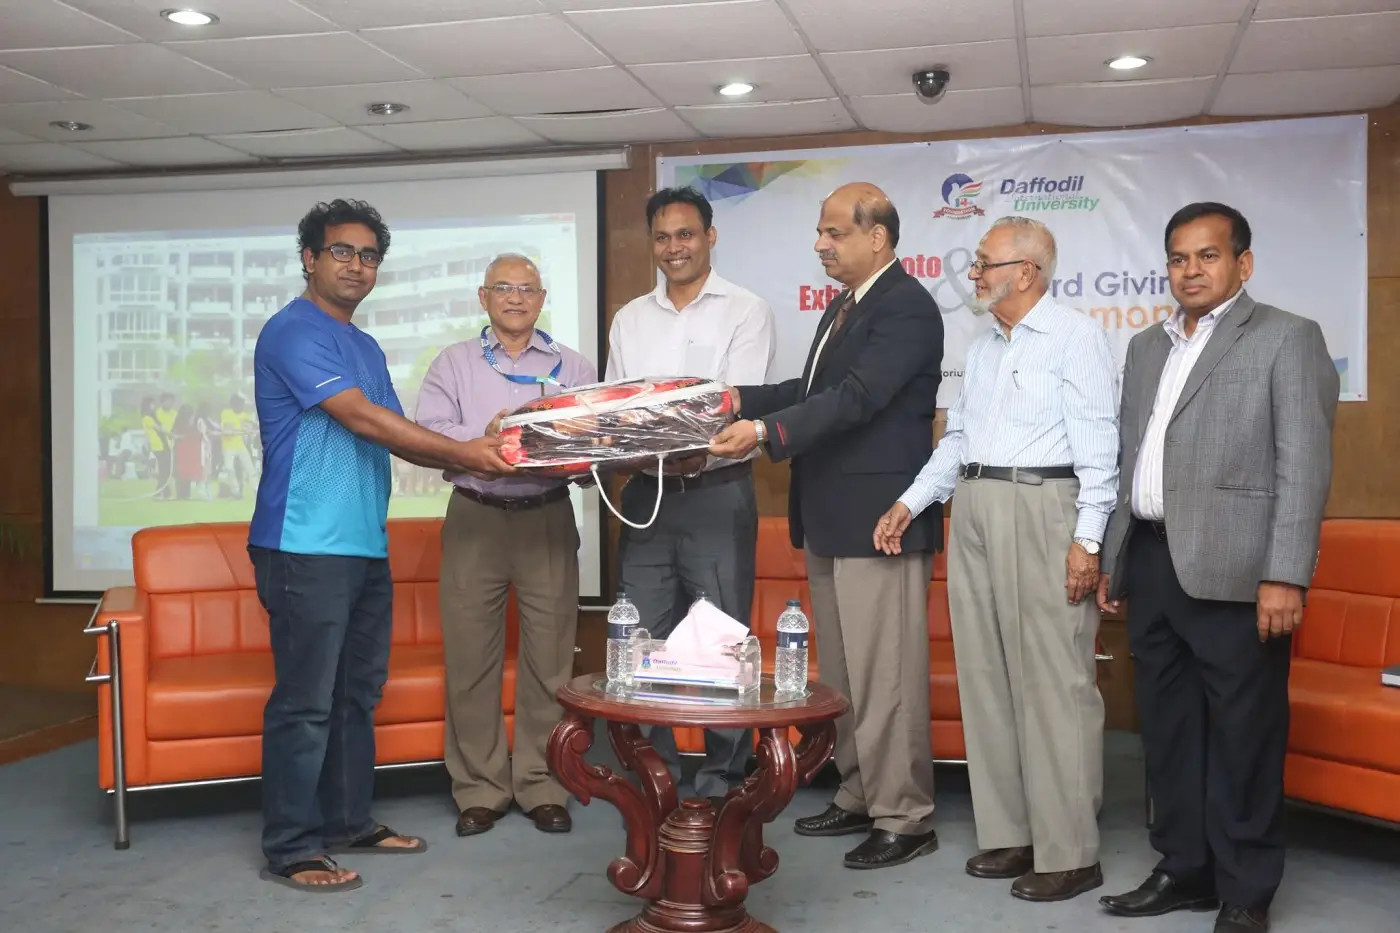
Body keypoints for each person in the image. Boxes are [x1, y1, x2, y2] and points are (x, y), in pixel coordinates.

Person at [248, 198, 516, 893]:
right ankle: (291, 846)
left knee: (355, 695)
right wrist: (468, 453)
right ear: (309, 258)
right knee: (306, 701)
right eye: (342, 251)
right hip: (303, 543)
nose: (357, 266)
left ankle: (347, 821)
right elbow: (365, 421)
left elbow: (401, 432)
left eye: (369, 256)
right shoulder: (292, 331)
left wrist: (478, 447)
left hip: (363, 544)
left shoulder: (363, 346)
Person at [1096, 203, 1339, 933]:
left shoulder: (1287, 337)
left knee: (1244, 735)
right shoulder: (1147, 346)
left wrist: (1285, 574)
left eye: (1207, 255)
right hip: (1153, 561)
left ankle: (1245, 890)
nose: (1191, 270)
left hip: (1240, 572)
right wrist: (1115, 558)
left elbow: (1303, 464)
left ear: (1243, 263)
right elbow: (1132, 458)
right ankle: (1185, 868)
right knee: (1168, 730)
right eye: (1178, 258)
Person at [874, 216, 1117, 900]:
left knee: (1056, 682)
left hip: (1044, 506)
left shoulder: (1076, 337)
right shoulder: (983, 347)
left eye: (985, 263)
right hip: (975, 505)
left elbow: (1101, 446)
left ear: (1027, 273)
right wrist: (912, 501)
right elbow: (957, 441)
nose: (974, 274)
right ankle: (1012, 833)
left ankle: (1070, 851)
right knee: (985, 675)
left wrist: (1088, 540)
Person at [709, 182, 942, 869]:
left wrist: (763, 432)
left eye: (834, 232)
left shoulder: (906, 306)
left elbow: (858, 397)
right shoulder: (845, 306)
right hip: (832, 520)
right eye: (820, 232)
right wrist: (736, 399)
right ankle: (860, 791)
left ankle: (905, 815)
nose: (821, 244)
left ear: (878, 237)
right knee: (844, 674)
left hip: (879, 523)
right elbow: (810, 393)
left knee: (885, 676)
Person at [415, 253, 597, 837]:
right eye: (503, 288)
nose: (515, 298)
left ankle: (543, 783)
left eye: (526, 289)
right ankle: (481, 788)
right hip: (476, 516)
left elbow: (596, 441)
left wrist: (564, 447)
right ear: (483, 297)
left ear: (542, 299)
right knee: (471, 661)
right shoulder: (453, 362)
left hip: (546, 516)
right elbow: (430, 434)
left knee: (551, 660)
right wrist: (485, 439)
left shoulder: (573, 365)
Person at [605, 186, 776, 803]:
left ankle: (722, 784)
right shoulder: (630, 318)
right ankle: (655, 779)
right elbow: (620, 411)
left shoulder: (747, 310)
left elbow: (731, 408)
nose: (673, 247)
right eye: (662, 237)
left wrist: (669, 434)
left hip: (715, 494)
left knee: (720, 637)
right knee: (639, 638)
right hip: (646, 497)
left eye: (685, 234)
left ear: (710, 237)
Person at [220, 394, 257, 498]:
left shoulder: (244, 415)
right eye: (240, 404)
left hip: (240, 446)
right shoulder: (226, 413)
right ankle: (235, 490)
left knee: (250, 468)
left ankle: (256, 489)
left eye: (242, 405)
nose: (242, 407)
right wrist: (241, 430)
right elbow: (228, 430)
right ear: (233, 404)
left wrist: (248, 429)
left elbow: (249, 428)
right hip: (228, 447)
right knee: (229, 468)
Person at [140, 397, 171, 498]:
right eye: (152, 404)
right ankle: (160, 492)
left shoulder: (153, 418)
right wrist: (173, 435)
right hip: (158, 446)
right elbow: (160, 429)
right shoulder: (147, 418)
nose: (154, 406)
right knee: (164, 470)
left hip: (163, 445)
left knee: (165, 470)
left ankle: (164, 492)